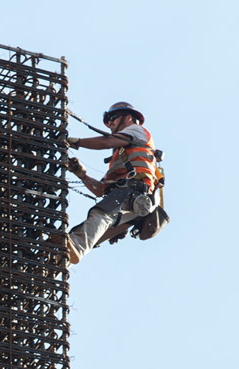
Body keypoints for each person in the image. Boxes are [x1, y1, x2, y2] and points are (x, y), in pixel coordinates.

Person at [60, 101, 165, 264]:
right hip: (133, 204)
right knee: (90, 230)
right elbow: (101, 190)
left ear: (129, 117)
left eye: (113, 118)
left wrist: (76, 142)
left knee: (100, 216)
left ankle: (75, 248)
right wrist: (82, 175)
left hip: (135, 195)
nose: (110, 124)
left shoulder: (137, 131)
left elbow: (106, 142)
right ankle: (58, 261)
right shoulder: (122, 157)